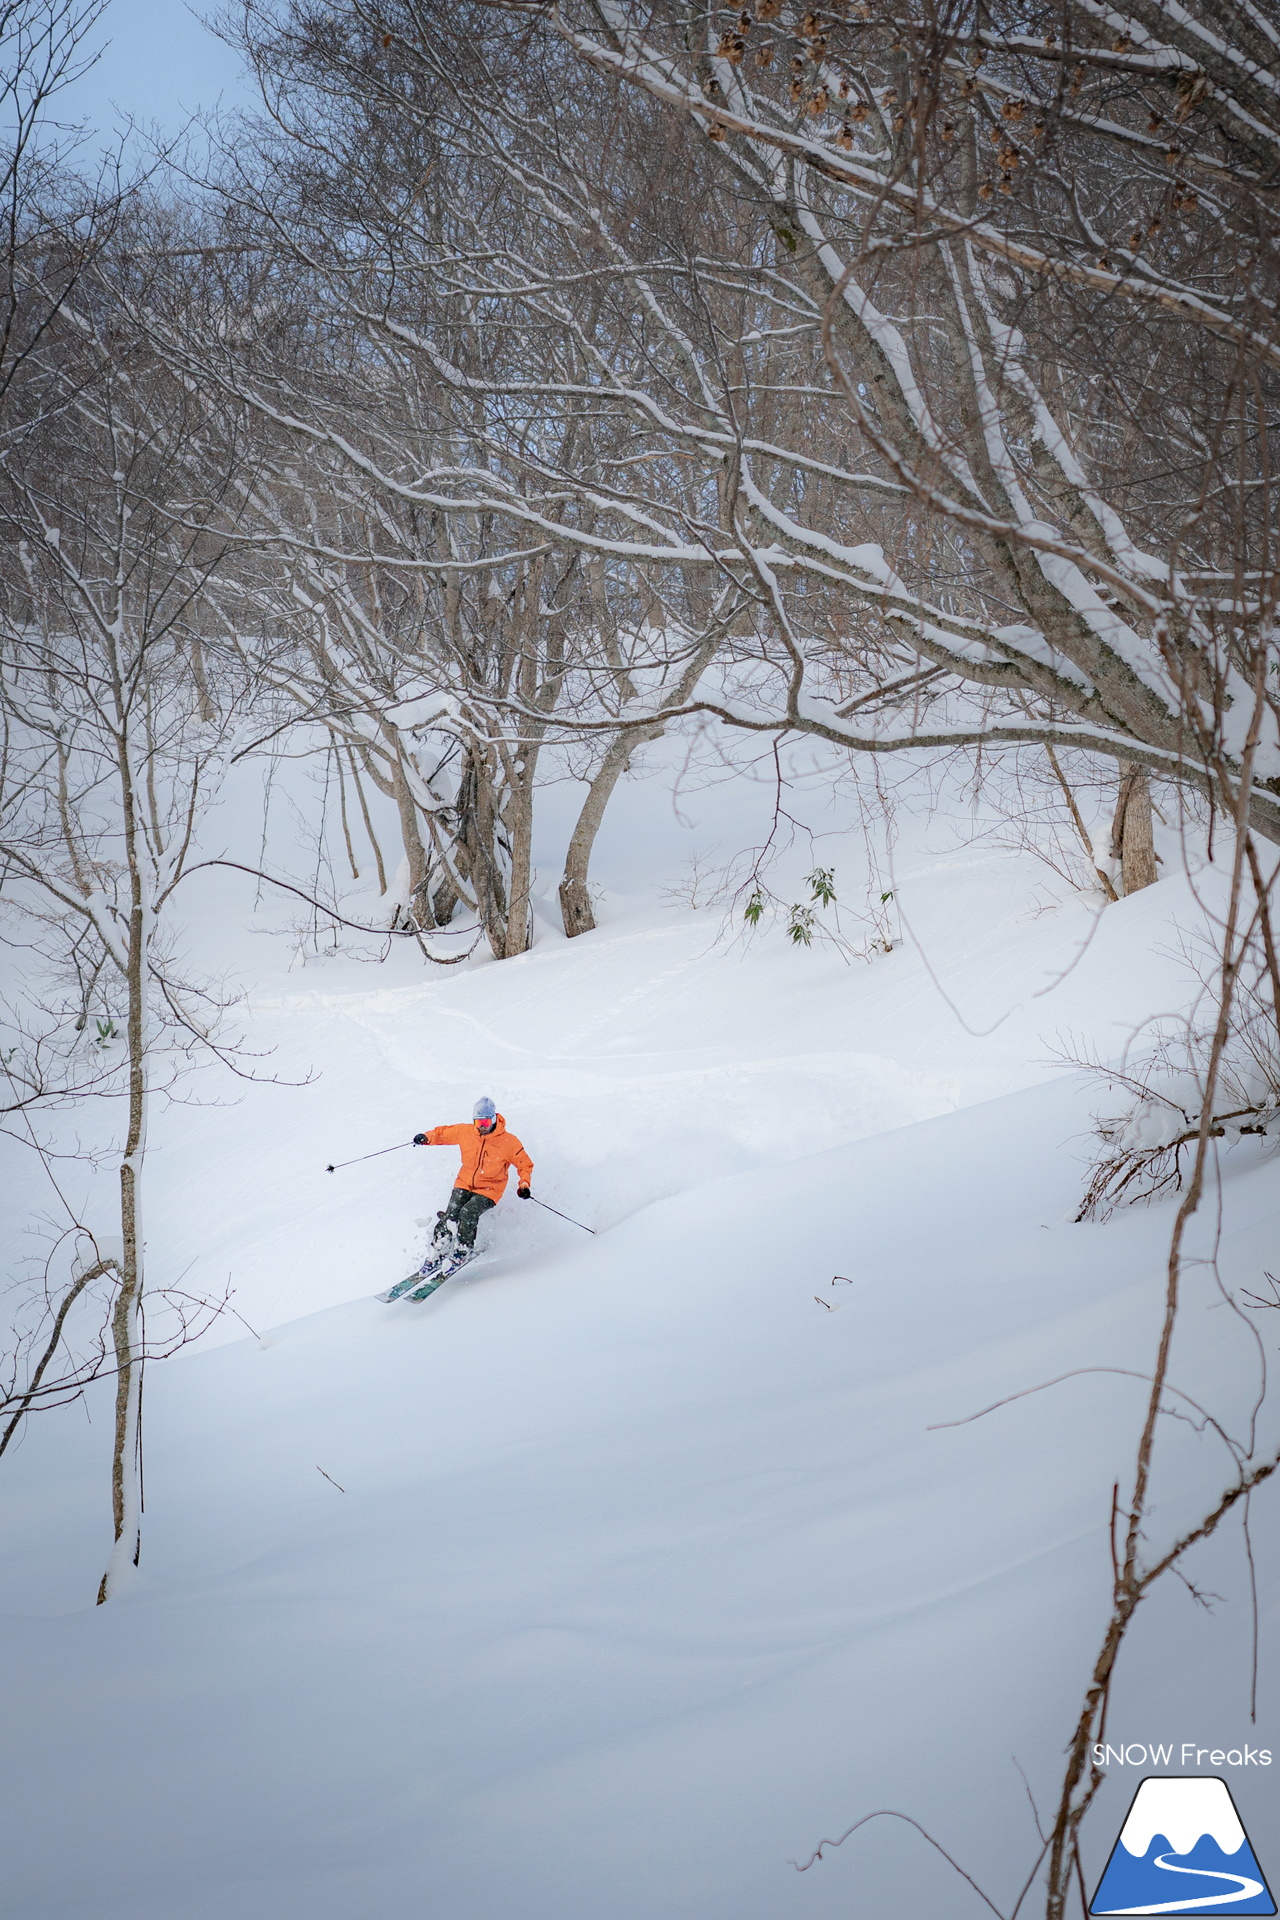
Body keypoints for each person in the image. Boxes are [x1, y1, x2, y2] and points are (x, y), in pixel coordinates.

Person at [412, 1097, 533, 1258]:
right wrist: (426, 1137)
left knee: (468, 1212)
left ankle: (463, 1249)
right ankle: (439, 1247)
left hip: (490, 1189)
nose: (482, 1127)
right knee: (451, 1213)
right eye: (478, 1123)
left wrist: (524, 1185)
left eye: (486, 1123)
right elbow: (443, 1133)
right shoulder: (466, 1132)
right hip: (464, 1183)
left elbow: (525, 1165)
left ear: (494, 1119)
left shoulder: (509, 1142)